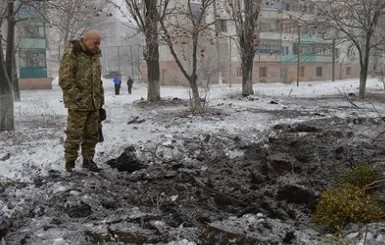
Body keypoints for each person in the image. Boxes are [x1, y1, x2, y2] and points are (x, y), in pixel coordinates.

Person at [59, 29, 104, 172]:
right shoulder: (73, 53)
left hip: (93, 104)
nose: (97, 45)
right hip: (78, 105)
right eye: (95, 42)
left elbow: (98, 80)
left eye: (99, 43)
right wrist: (77, 97)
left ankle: (88, 161)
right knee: (74, 135)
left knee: (92, 135)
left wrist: (100, 100)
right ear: (86, 40)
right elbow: (65, 79)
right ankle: (70, 163)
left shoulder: (95, 56)